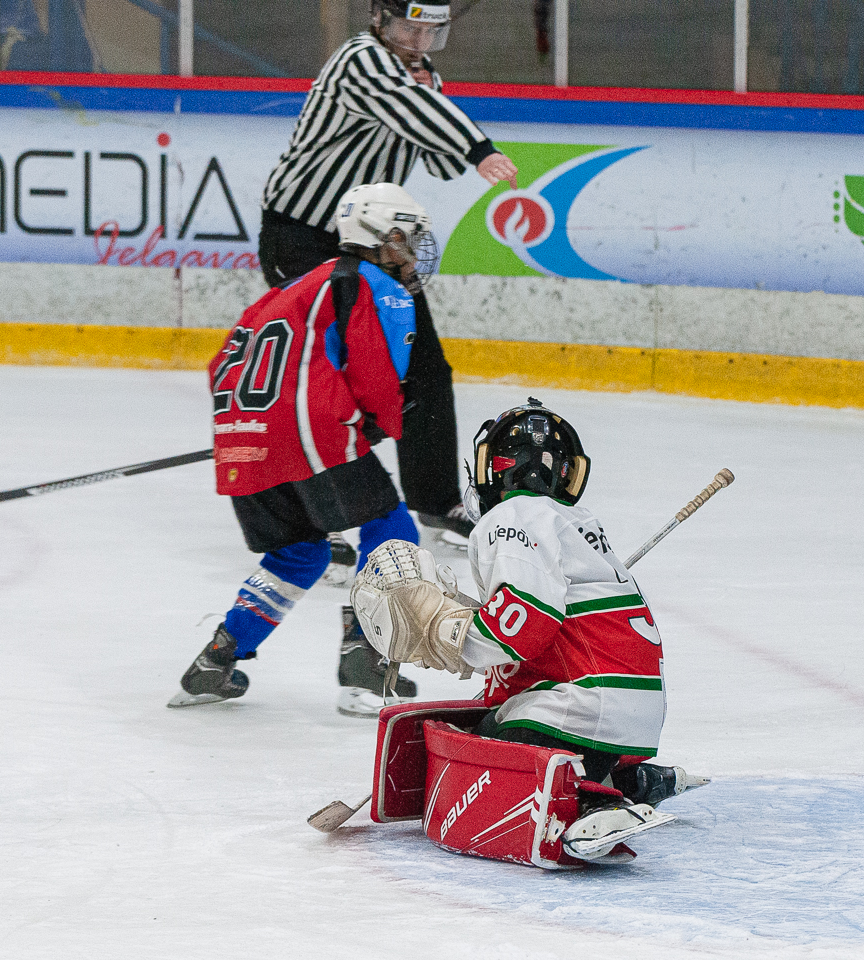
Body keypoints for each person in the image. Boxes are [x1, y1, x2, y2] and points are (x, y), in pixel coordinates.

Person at [349, 400, 702, 859]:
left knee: (476, 745)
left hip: (579, 707)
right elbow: (536, 637)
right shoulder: (576, 524)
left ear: (491, 467)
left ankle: (591, 801)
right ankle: (628, 776)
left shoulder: (512, 516)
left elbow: (524, 624)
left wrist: (449, 635)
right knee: (497, 718)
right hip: (632, 716)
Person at [170, 182, 441, 718]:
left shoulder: (289, 289)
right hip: (309, 428)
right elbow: (378, 376)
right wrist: (378, 422)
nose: (410, 253)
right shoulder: (375, 286)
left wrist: (252, 432)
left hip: (239, 436)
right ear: (385, 238)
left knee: (301, 552)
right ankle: (367, 664)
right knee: (392, 529)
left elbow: (221, 366)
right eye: (407, 240)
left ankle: (214, 663)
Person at [259, 0, 518, 543]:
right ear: (379, 19)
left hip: (377, 242)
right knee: (318, 377)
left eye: (431, 31)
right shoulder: (360, 60)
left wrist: (436, 99)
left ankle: (436, 499)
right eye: (409, 26)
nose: (419, 40)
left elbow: (440, 161)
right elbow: (421, 120)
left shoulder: (419, 79)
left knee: (422, 364)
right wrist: (479, 148)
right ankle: (309, 516)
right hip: (304, 233)